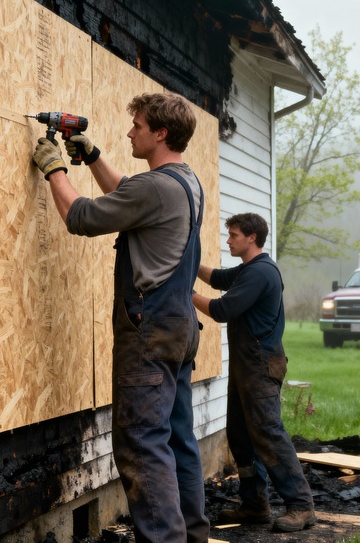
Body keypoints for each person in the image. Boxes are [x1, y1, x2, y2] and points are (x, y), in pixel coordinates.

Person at [31, 92, 209, 543]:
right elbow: (129, 193)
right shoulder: (184, 182)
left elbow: (82, 216)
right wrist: (92, 156)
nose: (130, 132)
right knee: (177, 440)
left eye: (138, 126)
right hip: (180, 329)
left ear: (161, 133)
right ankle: (192, 535)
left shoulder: (155, 187)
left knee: (143, 448)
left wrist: (54, 168)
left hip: (148, 333)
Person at [192, 213, 317, 533]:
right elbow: (219, 278)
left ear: (251, 237)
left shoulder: (261, 272)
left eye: (233, 235)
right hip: (246, 365)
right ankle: (255, 504)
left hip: (261, 364)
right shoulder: (250, 269)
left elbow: (222, 309)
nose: (229, 240)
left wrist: (185, 293)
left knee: (268, 433)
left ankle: (301, 505)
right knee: (239, 434)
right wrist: (189, 265)